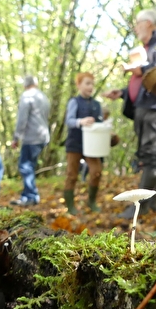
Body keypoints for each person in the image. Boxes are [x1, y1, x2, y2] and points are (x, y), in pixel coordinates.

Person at [103, 9, 156, 219]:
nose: (135, 28)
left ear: (148, 23)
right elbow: (142, 83)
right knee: (147, 155)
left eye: (137, 23)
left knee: (149, 154)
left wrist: (141, 69)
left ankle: (139, 207)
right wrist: (122, 93)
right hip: (142, 106)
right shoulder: (145, 49)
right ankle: (155, 204)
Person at [64, 72, 103, 215]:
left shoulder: (96, 105)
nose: (90, 87)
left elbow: (99, 123)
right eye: (87, 83)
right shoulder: (74, 102)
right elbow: (69, 121)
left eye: (92, 84)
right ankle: (70, 206)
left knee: (96, 171)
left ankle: (91, 201)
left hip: (92, 145)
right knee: (72, 174)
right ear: (79, 85)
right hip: (75, 143)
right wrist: (81, 122)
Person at [10, 75, 50, 206]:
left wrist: (16, 137)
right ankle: (28, 195)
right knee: (29, 166)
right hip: (43, 136)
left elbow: (22, 119)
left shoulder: (27, 96)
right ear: (36, 83)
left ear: (25, 85)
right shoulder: (43, 97)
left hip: (32, 137)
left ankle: (31, 196)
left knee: (25, 166)